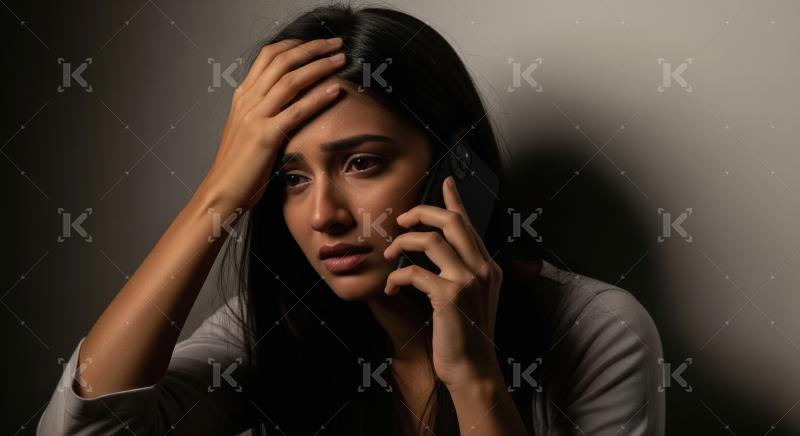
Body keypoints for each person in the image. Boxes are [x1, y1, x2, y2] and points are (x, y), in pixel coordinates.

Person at [38, 3, 665, 435]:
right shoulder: (269, 329)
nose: (323, 216)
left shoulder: (596, 332)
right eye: (291, 178)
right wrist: (219, 193)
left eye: (362, 163)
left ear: (458, 164)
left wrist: (475, 378)